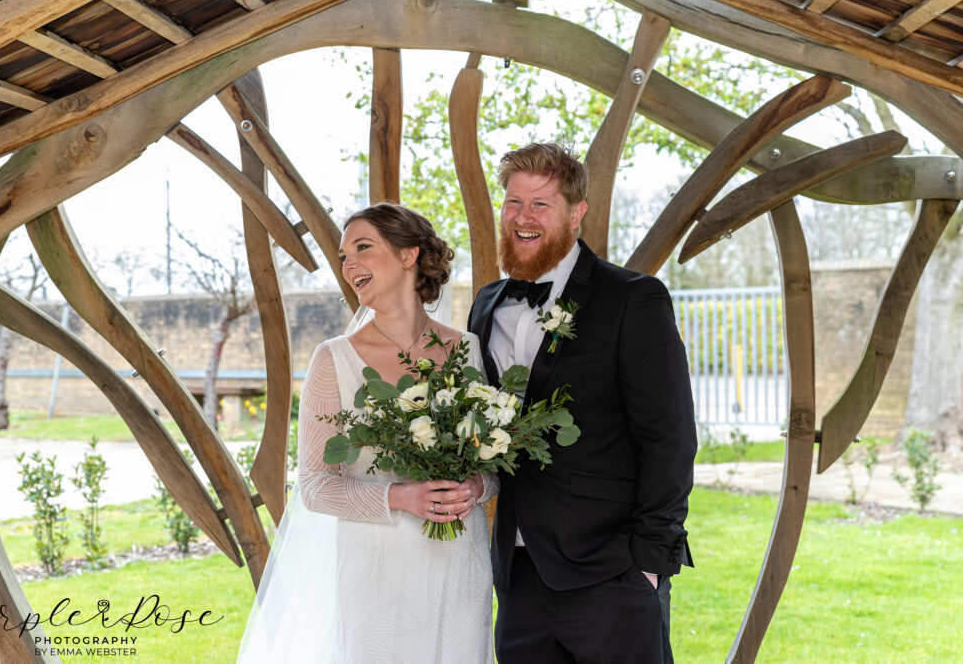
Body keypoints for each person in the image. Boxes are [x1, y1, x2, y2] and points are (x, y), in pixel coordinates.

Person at [238, 203, 497, 663]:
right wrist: (399, 497)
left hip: (460, 563)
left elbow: (493, 463)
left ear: (407, 255)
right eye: (343, 257)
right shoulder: (332, 359)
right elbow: (315, 486)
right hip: (376, 570)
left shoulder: (468, 348)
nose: (349, 264)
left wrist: (476, 486)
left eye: (362, 248)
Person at [468, 143, 697, 663]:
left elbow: (670, 437)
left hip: (611, 568)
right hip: (518, 572)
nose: (523, 218)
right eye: (513, 203)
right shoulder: (486, 303)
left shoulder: (632, 299)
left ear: (577, 213)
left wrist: (650, 563)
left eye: (540, 204)